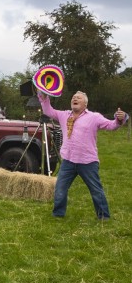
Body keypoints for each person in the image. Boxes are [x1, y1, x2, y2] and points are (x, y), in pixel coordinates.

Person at [39, 91, 128, 219]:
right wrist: (44, 95)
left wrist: (120, 119)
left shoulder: (94, 117)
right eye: (73, 97)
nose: (75, 99)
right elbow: (48, 111)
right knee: (60, 189)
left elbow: (111, 125)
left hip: (88, 162)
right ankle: (58, 215)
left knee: (96, 191)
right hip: (68, 161)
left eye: (78, 98)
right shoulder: (64, 115)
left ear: (85, 104)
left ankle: (104, 217)